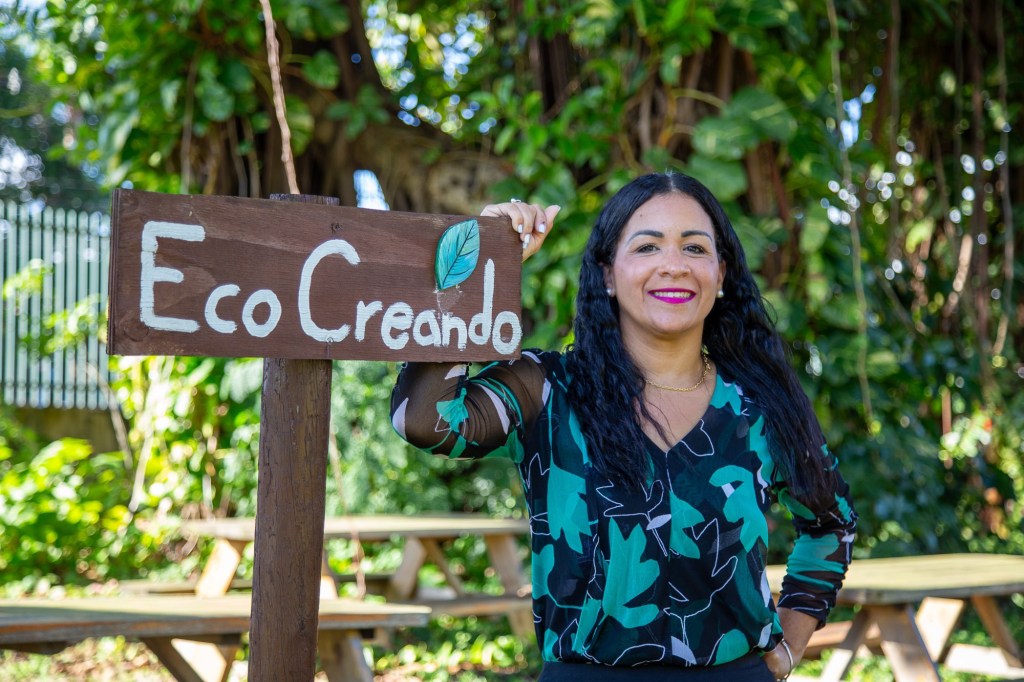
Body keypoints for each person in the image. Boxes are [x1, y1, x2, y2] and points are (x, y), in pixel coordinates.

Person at [390, 172, 856, 681]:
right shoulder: (548, 390)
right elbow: (425, 420)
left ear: (721, 274)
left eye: (695, 248)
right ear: (608, 274)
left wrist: (790, 645)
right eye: (647, 246)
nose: (674, 265)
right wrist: (483, 266)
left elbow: (831, 522)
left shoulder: (757, 404)